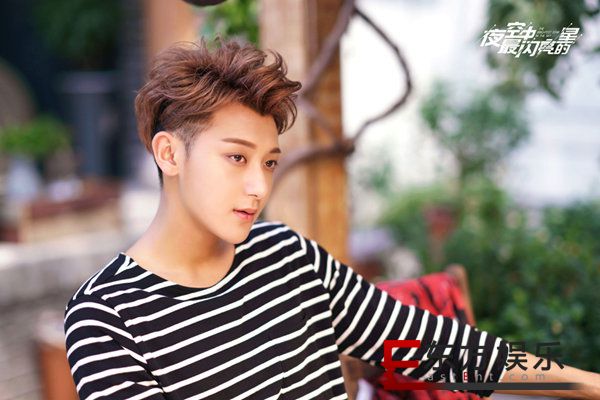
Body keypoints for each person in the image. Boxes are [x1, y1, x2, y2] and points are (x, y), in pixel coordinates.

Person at [63, 38, 600, 400]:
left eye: (269, 163)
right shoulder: (105, 317)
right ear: (169, 154)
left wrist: (585, 384)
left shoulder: (287, 257)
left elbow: (438, 348)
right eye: (236, 158)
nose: (259, 187)